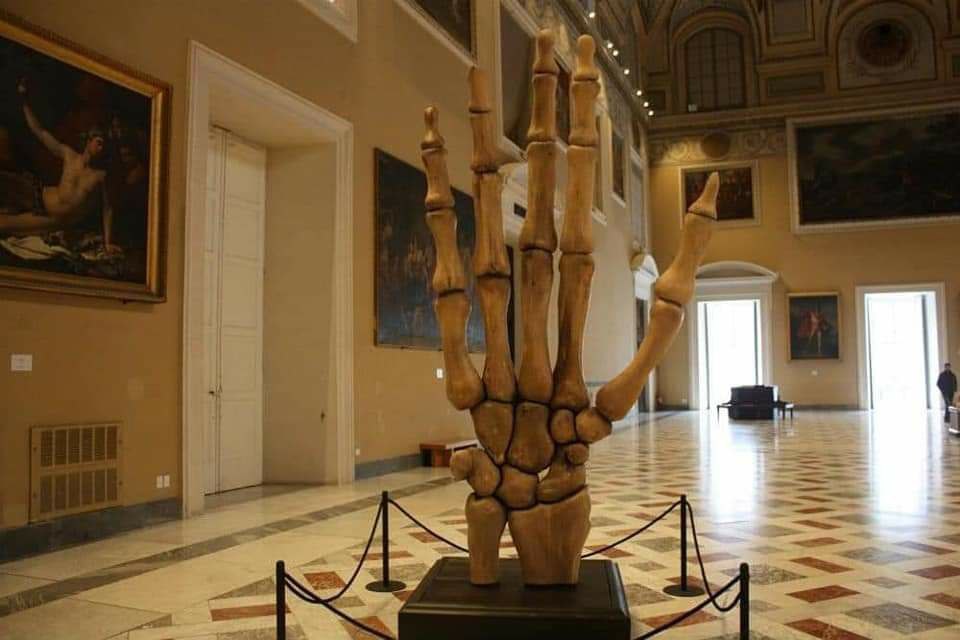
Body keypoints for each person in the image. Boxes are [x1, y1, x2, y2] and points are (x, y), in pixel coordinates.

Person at [0, 78, 117, 253]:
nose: (102, 148)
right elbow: (40, 132)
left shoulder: (101, 176)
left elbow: (108, 209)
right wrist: (25, 102)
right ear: (89, 140)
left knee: (3, 224)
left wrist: (108, 242)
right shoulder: (70, 155)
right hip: (37, 194)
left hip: (54, 219)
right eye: (99, 142)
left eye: (105, 145)